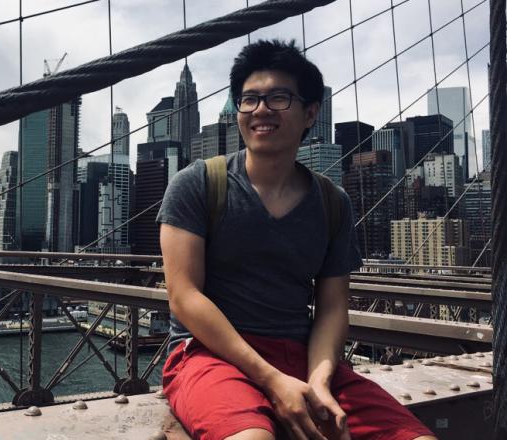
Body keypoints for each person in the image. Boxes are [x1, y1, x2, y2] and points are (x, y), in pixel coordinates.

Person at [156, 39, 436, 440]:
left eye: (278, 98)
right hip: (209, 356)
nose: (261, 110)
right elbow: (183, 296)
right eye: (248, 99)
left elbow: (332, 309)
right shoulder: (197, 184)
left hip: (301, 358)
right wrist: (271, 379)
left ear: (311, 113)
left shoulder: (332, 203)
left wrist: (320, 380)